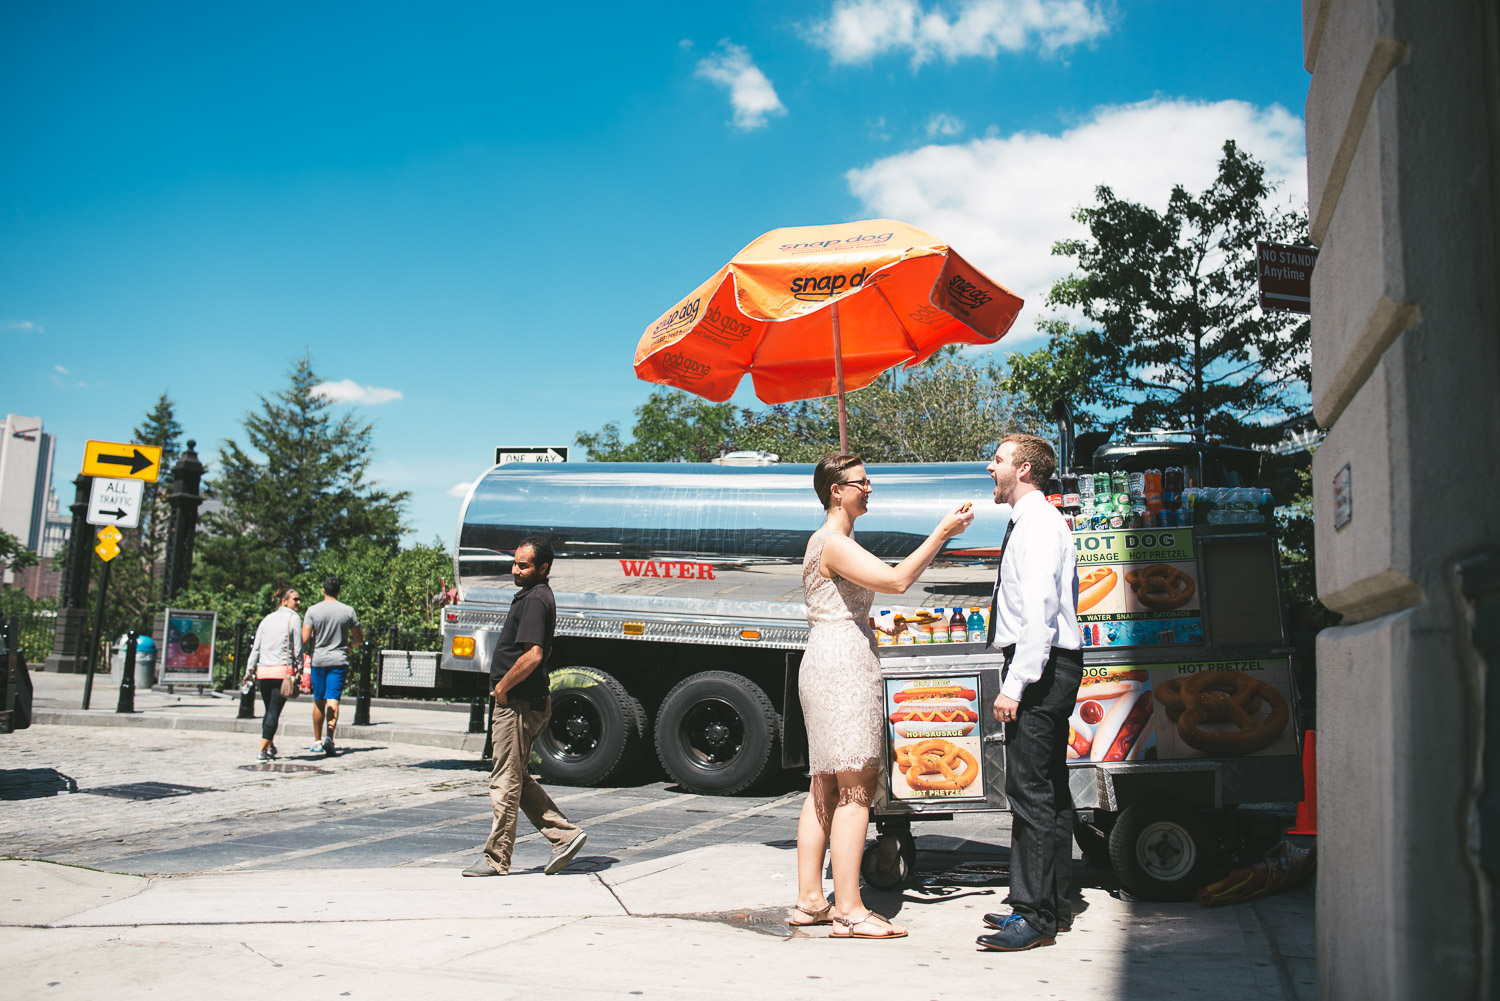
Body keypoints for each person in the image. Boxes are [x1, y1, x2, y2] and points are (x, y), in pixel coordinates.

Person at [789, 454, 972, 939]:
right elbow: (896, 580)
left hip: (828, 659)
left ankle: (811, 900)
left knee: (824, 783)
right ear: (836, 490)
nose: (869, 488)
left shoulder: (831, 542)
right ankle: (850, 908)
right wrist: (941, 533)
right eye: (861, 482)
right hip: (843, 668)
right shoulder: (833, 542)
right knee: (855, 788)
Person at [975, 434, 1082, 952]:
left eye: (997, 459)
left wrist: (1016, 683)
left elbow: (1039, 613)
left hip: (1039, 667)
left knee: (1029, 792)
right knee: (1050, 791)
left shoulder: (1038, 524)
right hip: (1050, 665)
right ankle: (1052, 904)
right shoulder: (1034, 522)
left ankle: (1034, 915)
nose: (989, 467)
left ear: (1022, 468)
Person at [462, 537, 588, 877]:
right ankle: (565, 836)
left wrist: (503, 688)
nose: (515, 569)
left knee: (504, 780)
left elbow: (533, 655)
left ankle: (496, 858)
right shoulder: (535, 596)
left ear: (543, 568)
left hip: (517, 703)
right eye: (515, 562)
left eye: (524, 565)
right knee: (516, 776)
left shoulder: (535, 599)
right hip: (522, 700)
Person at [302, 576, 363, 755]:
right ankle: (330, 738)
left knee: (319, 699)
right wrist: (350, 647)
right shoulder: (347, 611)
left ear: (323, 590)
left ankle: (316, 740)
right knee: (333, 699)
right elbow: (359, 638)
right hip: (338, 659)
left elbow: (304, 639)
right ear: (339, 590)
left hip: (318, 659)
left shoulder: (312, 611)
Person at [241, 587, 304, 763]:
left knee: (269, 710)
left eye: (299, 600)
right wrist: (299, 668)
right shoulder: (294, 618)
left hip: (263, 672)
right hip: (281, 672)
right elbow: (298, 647)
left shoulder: (266, 619)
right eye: (295, 599)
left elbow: (256, 648)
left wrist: (249, 671)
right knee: (274, 712)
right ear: (284, 601)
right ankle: (261, 750)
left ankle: (270, 745)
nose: (298, 603)